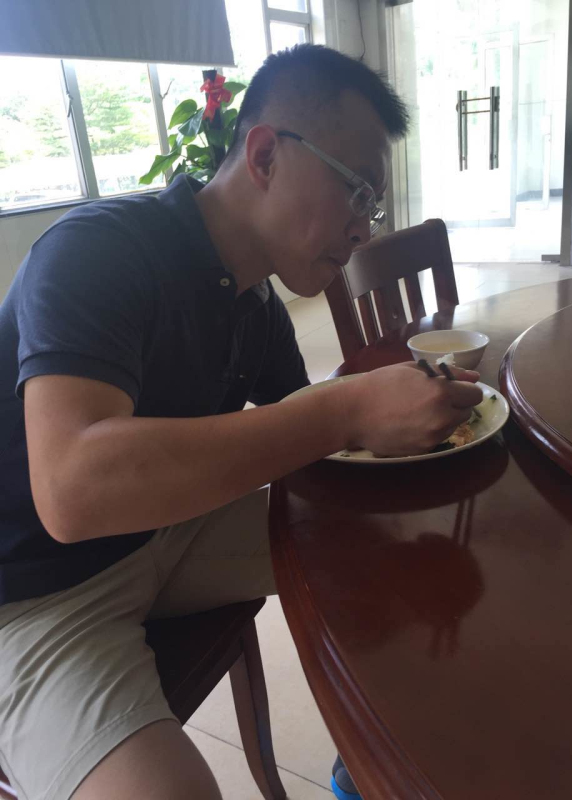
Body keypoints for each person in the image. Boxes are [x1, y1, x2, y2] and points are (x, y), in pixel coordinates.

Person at [0, 44, 482, 800]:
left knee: (392, 555)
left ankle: (362, 770)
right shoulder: (97, 251)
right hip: (33, 592)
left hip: (169, 534)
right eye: (358, 191)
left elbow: (312, 443)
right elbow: (71, 488)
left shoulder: (255, 304)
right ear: (264, 155)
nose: (364, 230)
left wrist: (399, 417)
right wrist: (344, 409)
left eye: (373, 207)